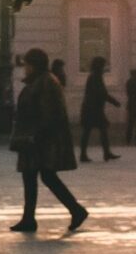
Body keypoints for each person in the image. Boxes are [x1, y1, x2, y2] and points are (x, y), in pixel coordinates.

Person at [9, 48, 86, 235]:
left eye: (27, 64)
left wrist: (36, 135)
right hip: (35, 138)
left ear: (34, 65)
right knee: (36, 176)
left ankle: (75, 211)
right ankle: (31, 218)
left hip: (40, 140)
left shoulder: (45, 83)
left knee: (42, 176)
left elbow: (49, 114)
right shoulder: (40, 81)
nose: (25, 68)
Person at [78, 57, 121, 162]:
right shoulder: (95, 76)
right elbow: (101, 93)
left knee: (93, 131)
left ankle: (101, 153)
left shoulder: (94, 76)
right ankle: (101, 153)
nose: (105, 67)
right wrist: (114, 102)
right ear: (99, 66)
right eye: (103, 64)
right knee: (97, 130)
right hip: (93, 109)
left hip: (91, 108)